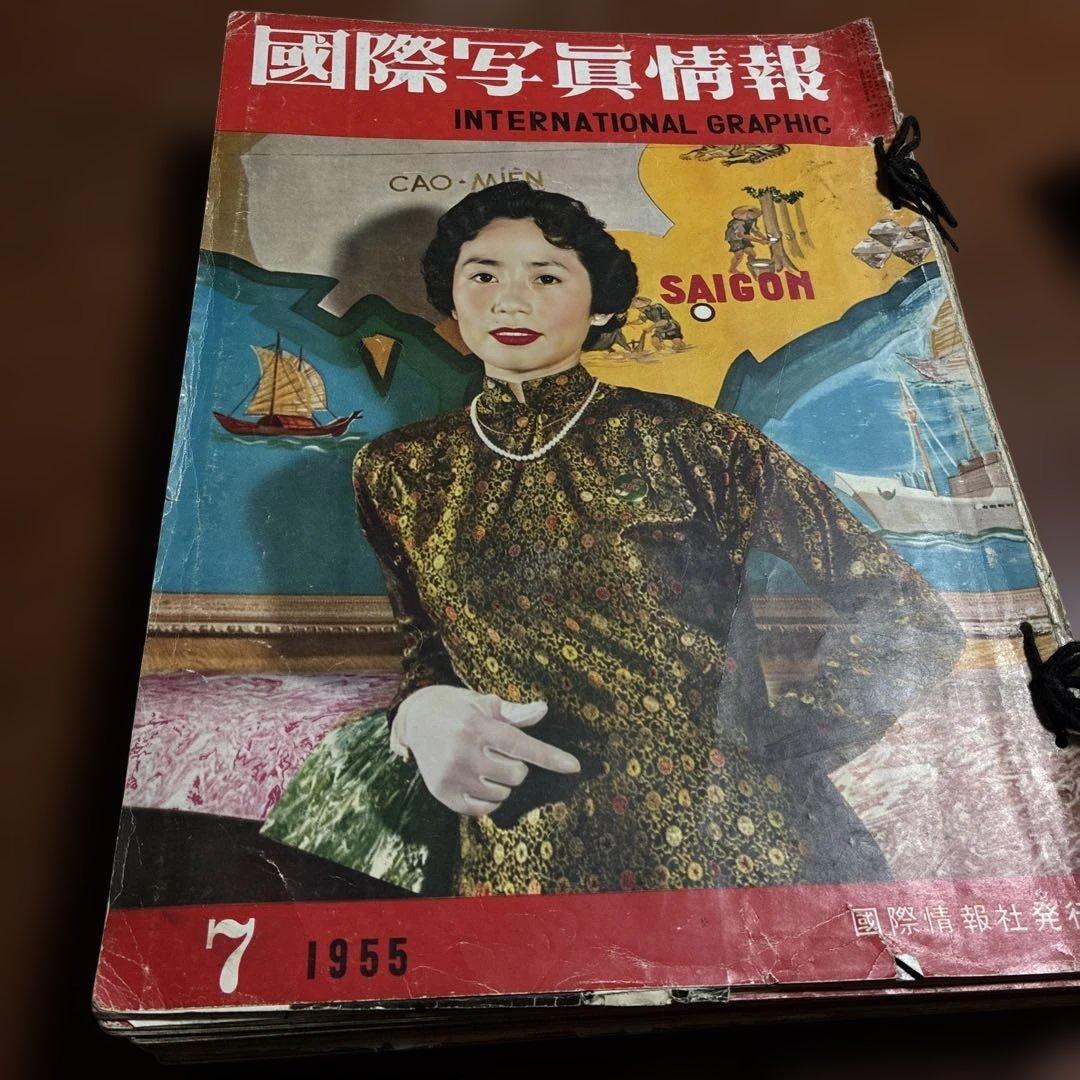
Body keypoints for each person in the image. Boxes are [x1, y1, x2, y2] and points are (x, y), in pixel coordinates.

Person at [271, 181, 964, 897]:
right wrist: (419, 715)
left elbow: (911, 616)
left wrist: (768, 744)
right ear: (451, 298)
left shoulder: (699, 444)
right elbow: (428, 652)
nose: (510, 301)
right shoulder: (399, 471)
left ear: (600, 305)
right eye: (482, 276)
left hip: (730, 853)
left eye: (546, 277)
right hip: (519, 865)